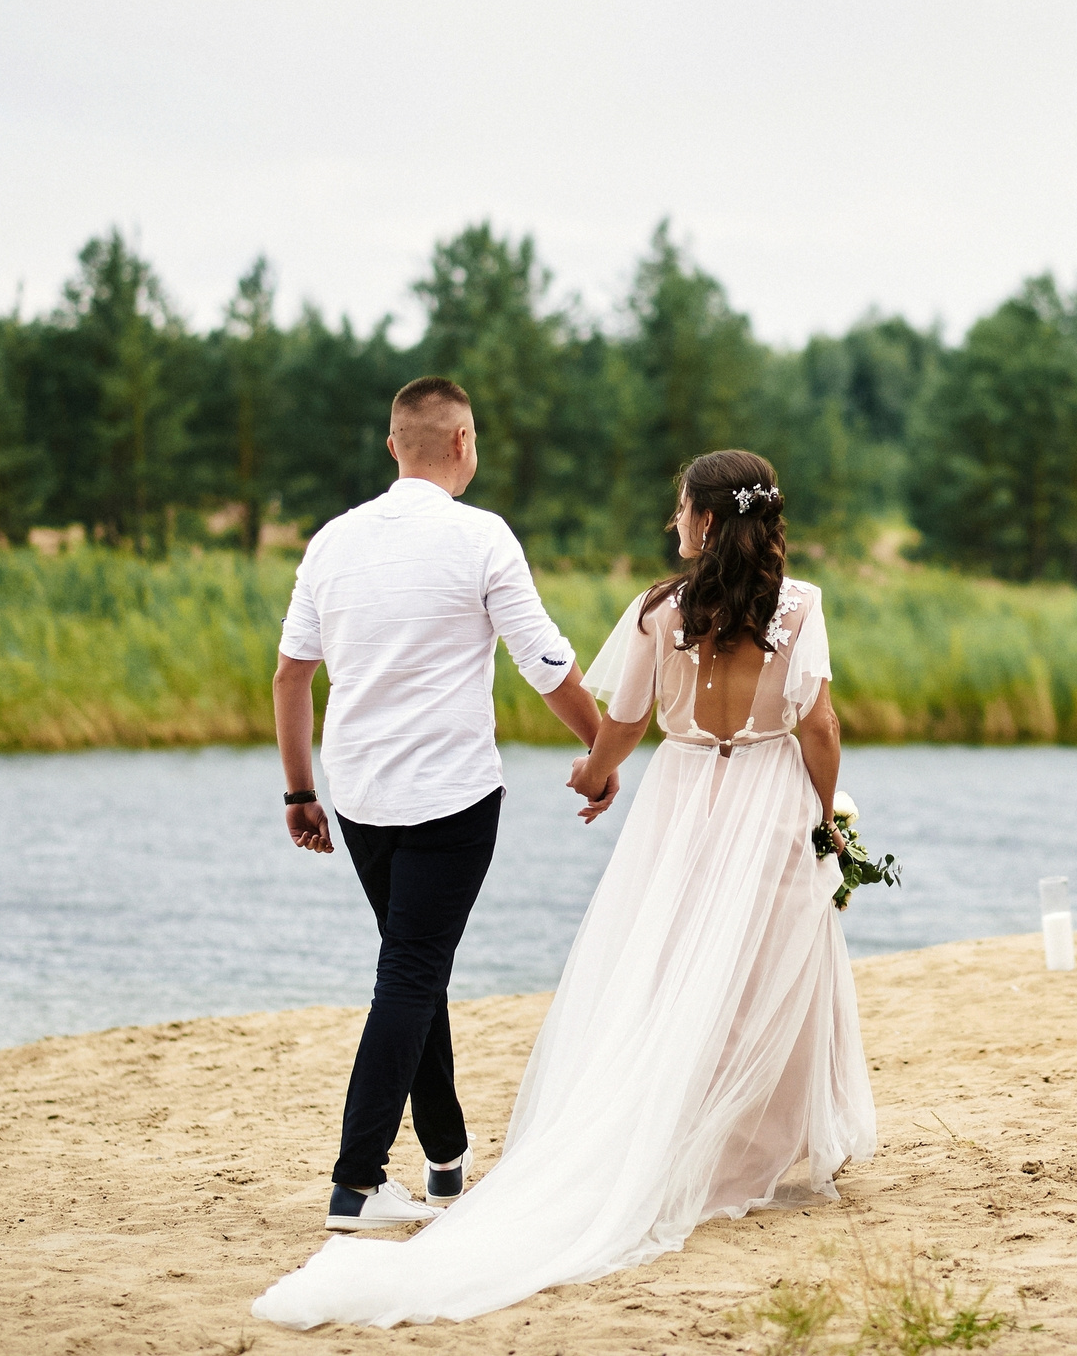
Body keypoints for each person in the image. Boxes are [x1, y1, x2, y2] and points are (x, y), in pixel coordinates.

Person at [255, 449, 875, 1330]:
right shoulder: (803, 606)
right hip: (769, 798)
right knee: (778, 963)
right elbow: (819, 721)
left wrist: (593, 774)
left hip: (684, 800)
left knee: (667, 966)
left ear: (701, 519)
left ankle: (676, 1138)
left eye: (679, 509)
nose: (675, 522)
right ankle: (771, 1149)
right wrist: (826, 813)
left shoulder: (661, 610)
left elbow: (624, 719)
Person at [270, 376, 617, 1237]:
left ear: (395, 445)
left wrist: (301, 790)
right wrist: (602, 753)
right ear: (464, 442)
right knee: (412, 970)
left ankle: (448, 1159)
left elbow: (290, 675)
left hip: (357, 794)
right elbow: (545, 663)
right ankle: (355, 1182)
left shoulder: (331, 541)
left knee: (414, 962)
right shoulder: (482, 537)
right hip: (452, 795)